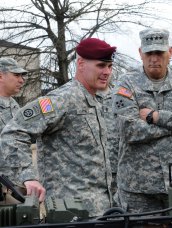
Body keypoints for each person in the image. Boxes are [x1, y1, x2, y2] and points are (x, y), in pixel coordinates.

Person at [0, 37, 116, 217]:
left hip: (104, 207)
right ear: (81, 64)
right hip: (70, 210)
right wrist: (27, 176)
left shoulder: (98, 100)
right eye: (101, 66)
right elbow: (14, 132)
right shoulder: (60, 100)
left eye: (109, 66)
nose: (107, 72)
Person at [112, 28, 172, 213]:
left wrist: (155, 117)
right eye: (149, 53)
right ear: (141, 53)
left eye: (159, 52)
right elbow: (130, 131)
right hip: (139, 188)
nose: (154, 58)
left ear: (170, 52)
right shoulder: (126, 83)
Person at [96, 77, 119, 197]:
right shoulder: (74, 97)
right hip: (90, 174)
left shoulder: (122, 97)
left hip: (118, 171)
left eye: (109, 66)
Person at [0, 57, 28, 133]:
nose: (21, 80)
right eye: (16, 75)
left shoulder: (14, 104)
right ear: (1, 76)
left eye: (22, 76)